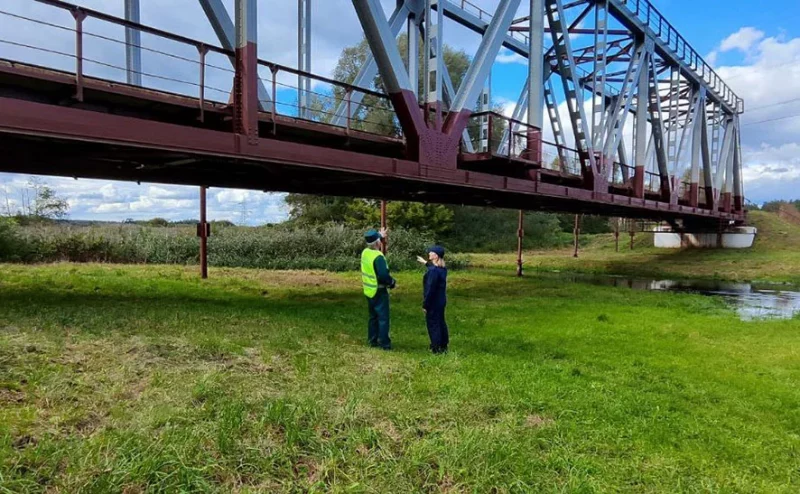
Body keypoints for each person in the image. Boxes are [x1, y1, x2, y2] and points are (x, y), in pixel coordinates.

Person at [361, 227, 396, 350]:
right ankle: (384, 344)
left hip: (369, 291)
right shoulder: (378, 257)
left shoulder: (365, 252)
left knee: (373, 317)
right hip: (379, 290)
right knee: (383, 318)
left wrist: (380, 235)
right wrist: (392, 282)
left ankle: (372, 340)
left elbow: (373, 241)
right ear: (378, 243)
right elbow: (383, 275)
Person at [416, 245, 449, 354]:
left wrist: (425, 305)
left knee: (433, 324)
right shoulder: (442, 269)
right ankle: (444, 345)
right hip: (441, 301)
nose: (429, 253)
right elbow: (433, 268)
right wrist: (425, 262)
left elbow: (430, 290)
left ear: (435, 256)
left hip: (433, 302)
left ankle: (435, 347)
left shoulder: (433, 272)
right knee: (441, 322)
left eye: (431, 252)